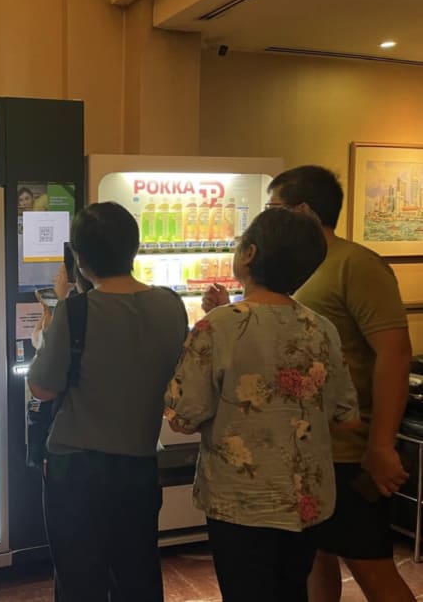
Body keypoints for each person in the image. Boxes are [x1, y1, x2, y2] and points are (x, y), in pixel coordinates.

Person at [203, 166, 414, 602]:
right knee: (315, 562)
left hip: (346, 448)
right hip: (303, 453)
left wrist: (381, 445)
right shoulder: (297, 266)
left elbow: (395, 352)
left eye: (273, 207)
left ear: (302, 210)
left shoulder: (356, 265)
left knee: (370, 563)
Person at [166, 208, 360, 602]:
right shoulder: (321, 327)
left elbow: (182, 418)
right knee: (291, 590)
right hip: (307, 497)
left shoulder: (217, 326)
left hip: (240, 500)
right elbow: (345, 416)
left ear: (250, 254)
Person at [27, 202, 188, 602]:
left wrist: (55, 314)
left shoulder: (74, 310)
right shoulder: (171, 305)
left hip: (76, 470)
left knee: (80, 579)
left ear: (80, 259)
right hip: (140, 464)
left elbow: (42, 388)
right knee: (137, 574)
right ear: (133, 248)